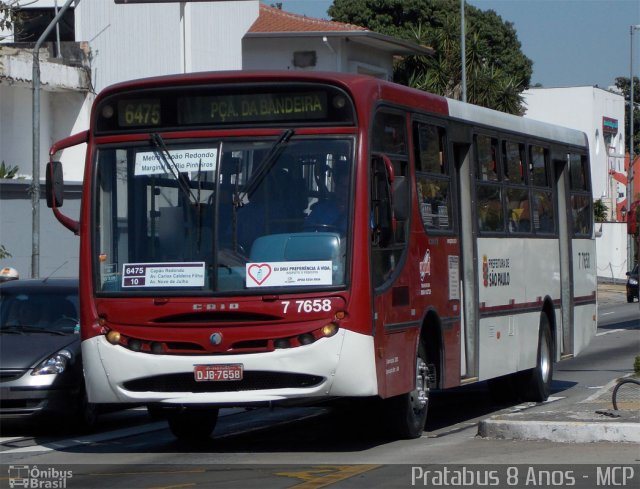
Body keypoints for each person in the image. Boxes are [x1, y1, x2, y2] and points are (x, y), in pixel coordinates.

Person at [304, 170, 349, 235]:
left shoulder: (361, 213)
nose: (344, 190)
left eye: (347, 187)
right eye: (341, 185)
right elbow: (306, 235)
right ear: (336, 187)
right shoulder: (320, 210)